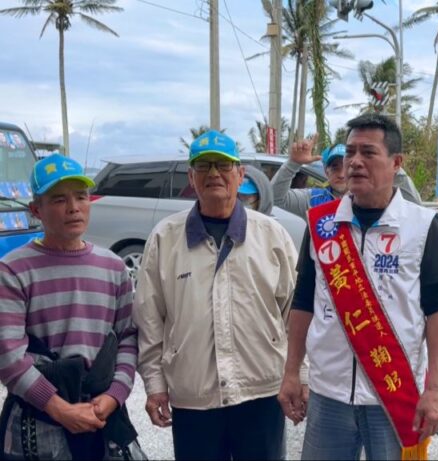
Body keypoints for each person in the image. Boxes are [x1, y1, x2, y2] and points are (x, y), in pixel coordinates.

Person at [278, 113, 438, 460]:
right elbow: (303, 302)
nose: (355, 162)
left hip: (392, 394)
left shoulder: (422, 225)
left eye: (368, 152)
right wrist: (292, 371)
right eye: (350, 152)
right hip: (328, 393)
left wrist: (434, 390)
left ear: (396, 163)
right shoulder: (322, 224)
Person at [134, 130, 299, 460]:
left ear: (240, 174)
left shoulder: (271, 235)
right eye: (203, 165)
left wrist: (299, 374)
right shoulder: (165, 238)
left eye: (223, 165)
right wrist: (155, 384)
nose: (213, 173)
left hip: (261, 391)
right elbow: (149, 318)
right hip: (194, 395)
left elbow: (295, 314)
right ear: (191, 177)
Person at [0, 154, 140, 459]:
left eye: (81, 196)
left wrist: (114, 395)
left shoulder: (114, 267)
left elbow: (128, 338)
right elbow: (8, 356)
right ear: (36, 210)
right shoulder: (12, 270)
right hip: (38, 419)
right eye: (59, 199)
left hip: (102, 415)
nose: (74, 207)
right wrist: (58, 408)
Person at [272, 136, 422, 220]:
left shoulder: (374, 199)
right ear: (326, 172)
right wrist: (293, 163)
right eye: (334, 167)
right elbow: (275, 197)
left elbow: (415, 207)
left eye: (345, 166)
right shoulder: (312, 199)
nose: (342, 174)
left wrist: (391, 165)